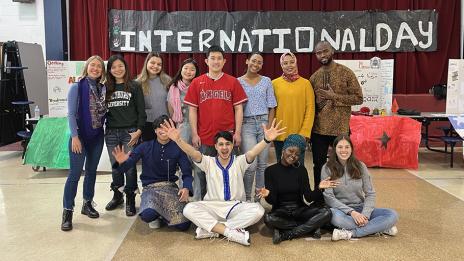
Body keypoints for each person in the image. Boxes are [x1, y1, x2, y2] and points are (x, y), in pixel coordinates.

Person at [161, 118, 286, 246]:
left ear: (232, 146)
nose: (224, 147)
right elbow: (193, 152)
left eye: (227, 144)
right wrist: (178, 140)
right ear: (215, 146)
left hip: (235, 207)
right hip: (212, 206)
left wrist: (266, 140)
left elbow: (253, 152)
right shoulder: (208, 162)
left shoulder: (240, 161)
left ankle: (212, 229)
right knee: (188, 209)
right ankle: (231, 232)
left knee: (258, 210)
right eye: (221, 144)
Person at [184, 45, 248, 201]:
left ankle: (229, 203)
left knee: (229, 172)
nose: (216, 61)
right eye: (212, 58)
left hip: (227, 139)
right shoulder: (197, 82)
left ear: (224, 61)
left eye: (219, 58)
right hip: (204, 137)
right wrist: (194, 133)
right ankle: (199, 205)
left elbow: (238, 109)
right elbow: (192, 111)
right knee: (200, 173)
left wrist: (238, 132)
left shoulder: (232, 82)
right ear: (206, 61)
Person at [111, 115, 193, 230]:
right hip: (151, 189)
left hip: (170, 189)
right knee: (148, 215)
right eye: (160, 128)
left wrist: (186, 188)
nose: (164, 131)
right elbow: (128, 164)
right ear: (155, 130)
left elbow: (187, 173)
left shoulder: (178, 148)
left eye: (167, 128)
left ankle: (162, 215)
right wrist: (120, 162)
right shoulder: (144, 146)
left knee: (184, 225)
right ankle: (159, 216)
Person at [258, 134, 337, 244]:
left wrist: (319, 188)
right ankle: (310, 227)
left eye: (297, 153)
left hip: (300, 210)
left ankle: (288, 233)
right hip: (281, 211)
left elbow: (308, 198)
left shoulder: (301, 170)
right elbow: (273, 201)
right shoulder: (270, 171)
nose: (293, 155)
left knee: (326, 212)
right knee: (268, 219)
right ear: (283, 149)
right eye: (290, 151)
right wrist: (268, 195)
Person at [321, 135, 399, 241]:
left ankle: (351, 233)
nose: (343, 150)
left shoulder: (360, 166)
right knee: (336, 218)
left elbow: (370, 193)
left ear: (351, 149)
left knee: (392, 215)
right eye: (340, 147)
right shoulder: (327, 168)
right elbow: (329, 198)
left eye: (347, 147)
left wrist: (365, 215)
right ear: (334, 149)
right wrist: (352, 212)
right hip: (340, 211)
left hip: (361, 208)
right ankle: (378, 228)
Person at [61, 55, 107, 231]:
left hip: (96, 137)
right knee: (74, 174)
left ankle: (87, 203)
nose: (95, 68)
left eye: (99, 67)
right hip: (79, 137)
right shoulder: (76, 87)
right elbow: (71, 114)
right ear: (87, 67)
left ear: (102, 71)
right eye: (92, 65)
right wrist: (74, 136)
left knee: (91, 172)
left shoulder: (103, 89)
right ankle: (67, 211)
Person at [310, 41, 363, 187]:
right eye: (318, 53)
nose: (322, 55)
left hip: (340, 129)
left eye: (325, 51)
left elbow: (359, 98)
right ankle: (319, 197)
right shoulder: (314, 77)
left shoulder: (346, 73)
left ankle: (343, 196)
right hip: (319, 130)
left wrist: (334, 96)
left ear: (332, 51)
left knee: (343, 163)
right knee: (318, 165)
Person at [105, 54, 146, 216]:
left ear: (125, 67)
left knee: (129, 168)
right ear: (110, 70)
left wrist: (139, 131)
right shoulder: (106, 87)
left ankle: (130, 198)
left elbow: (141, 112)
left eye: (120, 66)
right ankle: (117, 195)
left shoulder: (134, 86)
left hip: (130, 132)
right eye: (113, 67)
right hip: (111, 133)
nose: (117, 69)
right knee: (116, 166)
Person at [238, 52, 276, 202]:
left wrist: (269, 128)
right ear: (247, 61)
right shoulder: (238, 81)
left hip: (263, 124)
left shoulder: (266, 81)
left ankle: (257, 200)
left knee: (262, 165)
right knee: (250, 164)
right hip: (246, 124)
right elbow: (236, 107)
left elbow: (272, 106)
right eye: (253, 61)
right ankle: (247, 199)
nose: (256, 64)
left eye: (259, 62)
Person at [272, 52, 315, 166]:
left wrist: (304, 133)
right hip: (279, 134)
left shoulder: (306, 84)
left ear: (296, 63)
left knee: (298, 168)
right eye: (285, 63)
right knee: (281, 168)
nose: (289, 65)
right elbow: (271, 109)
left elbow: (310, 110)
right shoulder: (274, 84)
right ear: (281, 65)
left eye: (291, 62)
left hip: (298, 135)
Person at [136, 52, 172, 142]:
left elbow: (172, 103)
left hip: (165, 123)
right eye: (152, 63)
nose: (155, 66)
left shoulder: (168, 81)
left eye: (159, 64)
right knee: (149, 152)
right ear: (146, 63)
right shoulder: (138, 82)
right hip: (147, 124)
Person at [167, 58, 200, 148]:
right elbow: (170, 110)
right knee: (182, 153)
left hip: (199, 126)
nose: (188, 71)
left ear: (196, 72)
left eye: (192, 69)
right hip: (181, 126)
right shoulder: (173, 88)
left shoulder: (199, 87)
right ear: (181, 69)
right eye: (186, 68)